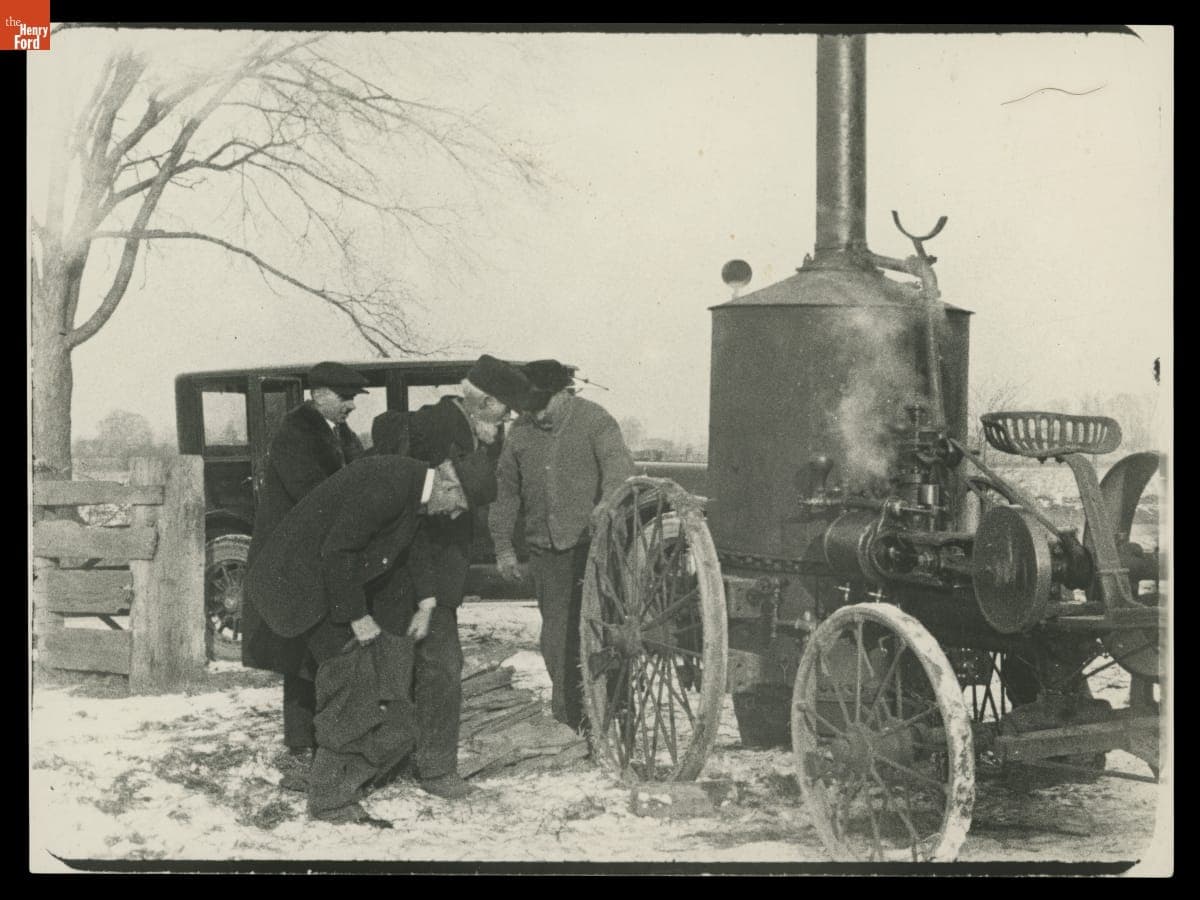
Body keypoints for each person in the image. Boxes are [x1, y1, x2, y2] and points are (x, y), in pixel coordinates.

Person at [245, 451, 494, 824]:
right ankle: (329, 800)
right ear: (447, 482)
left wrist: (427, 601)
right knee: (350, 682)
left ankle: (331, 779)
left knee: (354, 682)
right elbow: (338, 551)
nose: (456, 514)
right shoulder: (389, 486)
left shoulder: (414, 487)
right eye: (459, 504)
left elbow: (413, 543)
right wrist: (357, 616)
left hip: (325, 582)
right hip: (301, 586)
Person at [401, 354, 531, 799]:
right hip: (420, 575)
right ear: (486, 401)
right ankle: (436, 772)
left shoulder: (476, 431)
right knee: (440, 668)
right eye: (506, 410)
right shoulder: (433, 427)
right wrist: (427, 593)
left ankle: (417, 762)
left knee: (428, 668)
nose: (508, 418)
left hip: (438, 576)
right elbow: (414, 513)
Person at [489, 360, 636, 733]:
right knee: (556, 636)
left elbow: (618, 468)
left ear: (563, 393)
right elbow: (504, 493)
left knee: (603, 632)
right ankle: (570, 718)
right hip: (546, 552)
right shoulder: (520, 432)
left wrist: (607, 503)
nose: (534, 415)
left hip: (594, 548)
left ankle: (613, 711)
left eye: (541, 406)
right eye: (528, 408)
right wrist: (504, 547)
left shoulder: (595, 420)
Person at [241, 361, 368, 779]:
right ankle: (299, 743)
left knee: (318, 649)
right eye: (345, 397)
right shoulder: (297, 431)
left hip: (317, 554)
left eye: (354, 398)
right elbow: (315, 495)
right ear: (320, 394)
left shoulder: (337, 432)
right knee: (297, 649)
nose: (352, 405)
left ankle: (320, 736)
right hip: (292, 559)